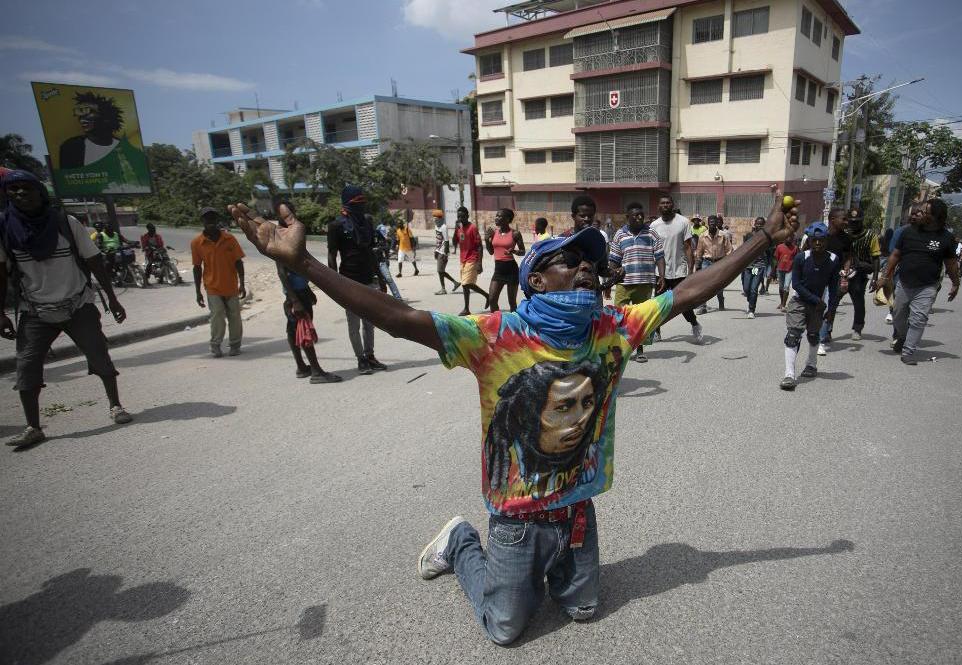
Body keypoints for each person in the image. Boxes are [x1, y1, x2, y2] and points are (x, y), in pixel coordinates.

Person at [224, 184, 797, 647]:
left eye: (592, 263)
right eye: (569, 262)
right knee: (504, 629)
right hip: (517, 520)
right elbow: (399, 318)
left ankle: (557, 575)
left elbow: (692, 290)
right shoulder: (496, 336)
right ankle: (460, 543)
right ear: (535, 282)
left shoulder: (613, 328)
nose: (587, 269)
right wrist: (307, 265)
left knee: (585, 610)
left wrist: (764, 238)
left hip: (576, 512)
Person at [0, 170, 132, 447]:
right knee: (26, 366)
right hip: (35, 311)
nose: (20, 194)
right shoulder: (5, 228)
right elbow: (2, 273)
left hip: (77, 304)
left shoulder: (65, 223)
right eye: (13, 190)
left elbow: (95, 263)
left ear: (40, 193)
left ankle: (115, 405)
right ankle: (33, 426)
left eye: (27, 188)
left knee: (99, 355)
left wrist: (112, 298)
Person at [873, 199, 960, 365]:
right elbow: (895, 256)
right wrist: (884, 277)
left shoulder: (946, 238)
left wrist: (955, 283)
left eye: (926, 212)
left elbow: (951, 264)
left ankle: (908, 351)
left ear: (936, 217)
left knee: (918, 319)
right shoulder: (909, 232)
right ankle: (904, 337)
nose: (921, 214)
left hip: (927, 286)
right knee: (897, 316)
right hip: (904, 282)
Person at [327, 186, 387, 374]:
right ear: (346, 204)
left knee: (370, 323)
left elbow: (370, 252)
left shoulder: (367, 222)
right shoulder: (336, 226)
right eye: (356, 204)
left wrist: (381, 277)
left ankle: (370, 356)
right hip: (348, 282)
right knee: (354, 324)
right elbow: (332, 256)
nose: (361, 207)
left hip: (368, 279)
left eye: (362, 203)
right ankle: (360, 359)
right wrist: (334, 284)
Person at [780, 222, 838, 390]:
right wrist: (816, 300)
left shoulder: (833, 260)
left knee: (813, 335)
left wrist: (831, 311)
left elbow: (833, 288)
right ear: (809, 241)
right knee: (793, 335)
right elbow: (796, 284)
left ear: (826, 240)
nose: (818, 243)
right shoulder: (801, 258)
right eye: (814, 240)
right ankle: (789, 374)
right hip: (799, 301)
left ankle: (811, 364)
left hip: (818, 306)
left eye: (821, 240)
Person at [608, 202, 666, 362]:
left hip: (645, 283)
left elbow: (660, 256)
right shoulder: (619, 235)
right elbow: (613, 260)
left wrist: (661, 276)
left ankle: (639, 350)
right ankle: (619, 349)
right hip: (624, 284)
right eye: (636, 215)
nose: (640, 217)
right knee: (619, 317)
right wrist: (608, 281)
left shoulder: (652, 234)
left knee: (640, 318)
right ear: (627, 217)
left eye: (642, 214)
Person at [277, 258, 342, 385]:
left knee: (293, 329)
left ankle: (301, 367)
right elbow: (282, 273)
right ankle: (316, 372)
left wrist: (307, 290)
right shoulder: (282, 242)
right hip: (296, 296)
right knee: (304, 330)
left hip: (299, 293)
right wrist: (295, 300)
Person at [192, 207, 245, 358]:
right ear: (202, 221)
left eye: (213, 218)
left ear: (217, 220)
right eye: (207, 219)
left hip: (231, 284)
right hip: (212, 286)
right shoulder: (197, 243)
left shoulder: (229, 239)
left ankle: (235, 345)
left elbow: (238, 262)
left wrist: (242, 283)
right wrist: (198, 292)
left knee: (234, 316)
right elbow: (196, 267)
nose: (210, 222)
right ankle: (215, 345)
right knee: (217, 316)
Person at [650, 193, 702, 343]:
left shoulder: (683, 222)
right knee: (658, 304)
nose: (665, 205)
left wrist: (690, 269)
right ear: (659, 206)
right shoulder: (654, 225)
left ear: (672, 205)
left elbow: (687, 247)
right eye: (662, 203)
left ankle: (694, 324)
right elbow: (652, 249)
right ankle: (656, 331)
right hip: (660, 273)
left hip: (679, 270)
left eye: (668, 203)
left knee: (682, 304)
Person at [816, 207, 851, 355]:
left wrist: (845, 272)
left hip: (835, 278)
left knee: (830, 307)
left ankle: (821, 340)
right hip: (817, 276)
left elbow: (848, 257)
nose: (846, 222)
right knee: (816, 306)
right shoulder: (821, 235)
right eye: (843, 219)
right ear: (832, 220)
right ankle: (817, 331)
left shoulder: (846, 238)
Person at [842, 209, 881, 340]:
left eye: (857, 222)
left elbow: (876, 257)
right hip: (843, 273)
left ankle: (857, 328)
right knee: (833, 300)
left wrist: (875, 277)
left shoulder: (870, 236)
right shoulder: (844, 233)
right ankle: (827, 329)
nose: (854, 225)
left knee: (858, 302)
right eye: (852, 222)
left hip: (859, 274)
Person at [484, 208, 526, 312]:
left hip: (511, 270)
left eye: (499, 216)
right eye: (496, 216)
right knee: (492, 299)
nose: (496, 218)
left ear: (507, 219)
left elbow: (523, 251)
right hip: (498, 270)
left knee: (512, 303)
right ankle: (498, 323)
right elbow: (491, 252)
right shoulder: (494, 233)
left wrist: (514, 251)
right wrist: (486, 240)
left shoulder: (515, 233)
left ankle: (515, 325)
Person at [453, 206, 490, 316]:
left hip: (472, 258)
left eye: (463, 216)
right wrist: (456, 229)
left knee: (466, 283)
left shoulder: (473, 228)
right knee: (467, 284)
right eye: (459, 216)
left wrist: (480, 263)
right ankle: (486, 295)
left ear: (467, 216)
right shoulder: (459, 228)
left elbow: (479, 246)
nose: (460, 218)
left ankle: (466, 308)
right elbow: (454, 242)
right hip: (463, 260)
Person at [694, 214, 732, 314]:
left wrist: (727, 264)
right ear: (708, 223)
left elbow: (728, 250)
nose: (712, 224)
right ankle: (703, 306)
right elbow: (699, 251)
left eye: (714, 222)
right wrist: (697, 264)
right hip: (707, 262)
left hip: (720, 262)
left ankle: (721, 301)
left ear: (716, 223)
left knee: (719, 285)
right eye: (710, 222)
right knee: (704, 285)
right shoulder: (703, 236)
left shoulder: (723, 235)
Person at [740, 216, 772, 318]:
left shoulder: (766, 238)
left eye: (761, 224)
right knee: (746, 288)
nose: (759, 226)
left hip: (757, 267)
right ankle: (751, 301)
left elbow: (769, 252)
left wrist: (771, 268)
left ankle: (751, 309)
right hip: (748, 266)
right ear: (755, 224)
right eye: (758, 224)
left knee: (753, 289)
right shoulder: (749, 236)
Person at [432, 209, 459, 295]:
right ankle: (455, 283)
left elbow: (446, 241)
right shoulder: (436, 226)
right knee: (441, 271)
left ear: (440, 219)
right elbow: (438, 240)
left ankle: (444, 289)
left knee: (440, 271)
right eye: (434, 219)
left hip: (443, 252)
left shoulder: (444, 227)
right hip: (439, 251)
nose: (435, 221)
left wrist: (446, 254)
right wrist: (436, 250)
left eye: (436, 219)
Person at [774, 232, 798, 311]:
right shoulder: (779, 247)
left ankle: (784, 305)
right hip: (780, 269)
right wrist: (773, 270)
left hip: (790, 270)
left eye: (791, 237)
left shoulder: (795, 248)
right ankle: (781, 302)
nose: (789, 239)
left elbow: (797, 259)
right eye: (787, 237)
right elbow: (776, 259)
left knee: (786, 286)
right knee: (781, 287)